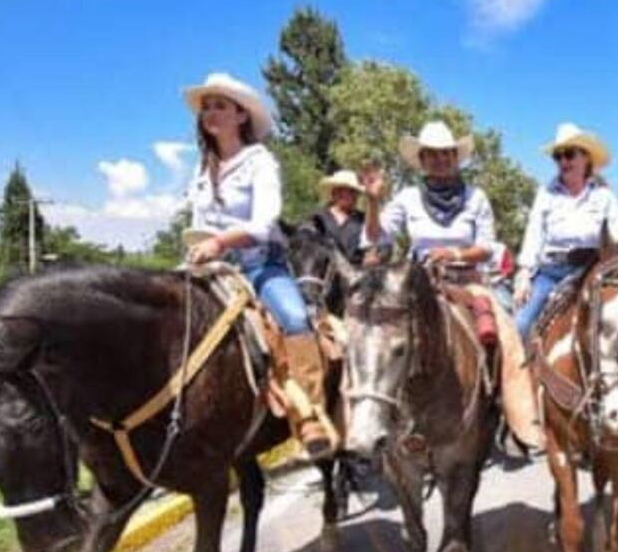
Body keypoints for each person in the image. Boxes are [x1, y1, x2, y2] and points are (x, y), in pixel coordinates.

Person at [361, 120, 543, 448]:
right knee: (377, 330)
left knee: (507, 330)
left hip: (467, 280)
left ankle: (512, 415)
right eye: (431, 155)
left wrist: (455, 252)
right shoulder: (407, 197)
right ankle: (374, 412)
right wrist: (373, 202)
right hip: (418, 283)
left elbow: (487, 246)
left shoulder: (476, 197)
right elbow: (376, 237)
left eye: (446, 154)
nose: (439, 160)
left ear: (455, 158)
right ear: (422, 160)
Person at [181, 71, 334, 459]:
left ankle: (309, 417)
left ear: (241, 116)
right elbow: (198, 225)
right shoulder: (201, 170)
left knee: (296, 318)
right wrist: (199, 248)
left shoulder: (259, 161)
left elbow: (265, 223)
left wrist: (219, 242)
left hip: (259, 266)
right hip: (210, 268)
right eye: (206, 108)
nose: (210, 113)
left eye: (220, 106)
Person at [514, 122, 618, 340]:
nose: (563, 161)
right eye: (558, 156)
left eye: (569, 155)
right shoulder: (545, 194)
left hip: (591, 272)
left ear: (586, 158)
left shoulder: (605, 197)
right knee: (520, 324)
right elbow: (533, 235)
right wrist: (523, 276)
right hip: (550, 273)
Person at [309, 169, 366, 266]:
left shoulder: (364, 221)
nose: (351, 195)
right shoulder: (318, 218)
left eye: (353, 192)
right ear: (334, 193)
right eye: (341, 190)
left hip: (356, 275)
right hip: (322, 273)